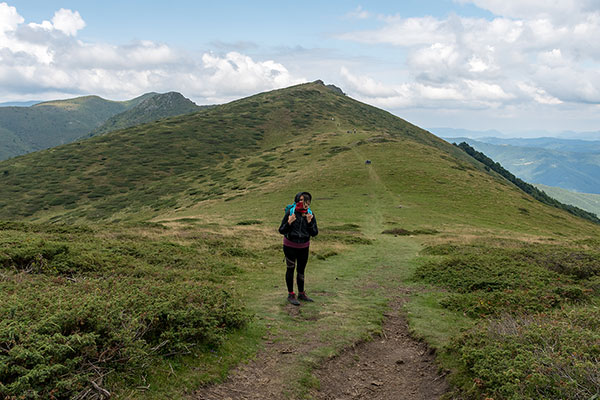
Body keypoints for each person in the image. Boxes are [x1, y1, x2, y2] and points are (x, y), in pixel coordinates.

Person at [278, 192, 318, 306]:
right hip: (290, 246)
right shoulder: (290, 213)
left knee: (301, 271)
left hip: (304, 247)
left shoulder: (310, 214)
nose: (303, 203)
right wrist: (289, 222)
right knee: (290, 269)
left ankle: (301, 293)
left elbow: (315, 233)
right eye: (300, 200)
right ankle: (291, 294)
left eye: (305, 201)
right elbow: (281, 230)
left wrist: (310, 223)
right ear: (296, 200)